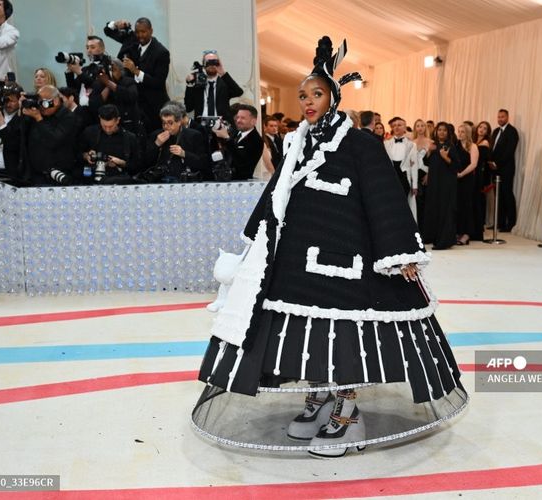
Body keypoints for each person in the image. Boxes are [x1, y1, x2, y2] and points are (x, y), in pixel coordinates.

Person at [194, 36, 465, 459]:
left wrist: (401, 251)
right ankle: (320, 395)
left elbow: (384, 197)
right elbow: (275, 195)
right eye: (303, 95)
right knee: (306, 336)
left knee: (344, 336)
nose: (307, 102)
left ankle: (347, 409)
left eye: (316, 94)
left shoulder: (360, 143)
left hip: (348, 260)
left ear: (334, 97)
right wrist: (257, 240)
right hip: (297, 261)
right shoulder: (295, 142)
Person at [104, 17, 170, 133]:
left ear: (151, 31)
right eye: (137, 32)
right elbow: (108, 31)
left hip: (153, 106)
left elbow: (158, 82)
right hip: (132, 104)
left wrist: (136, 71)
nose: (140, 35)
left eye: (143, 32)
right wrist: (116, 24)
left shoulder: (161, 52)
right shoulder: (132, 40)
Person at [21, 85, 77, 186]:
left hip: (57, 175)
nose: (41, 107)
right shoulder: (38, 112)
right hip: (35, 174)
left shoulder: (68, 117)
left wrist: (38, 118)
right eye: (39, 102)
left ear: (55, 101)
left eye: (44, 103)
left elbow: (53, 141)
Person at [142, 101, 206, 183]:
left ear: (179, 122)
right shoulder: (156, 135)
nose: (166, 127)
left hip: (185, 181)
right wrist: (156, 144)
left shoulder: (193, 135)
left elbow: (203, 163)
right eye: (163, 123)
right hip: (160, 180)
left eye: (170, 123)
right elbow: (145, 163)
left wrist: (184, 154)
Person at [77, 104, 139, 184]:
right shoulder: (90, 133)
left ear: (118, 120)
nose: (107, 129)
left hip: (119, 181)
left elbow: (137, 165)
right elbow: (77, 155)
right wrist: (86, 156)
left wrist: (122, 163)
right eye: (104, 126)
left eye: (111, 126)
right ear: (100, 119)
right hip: (91, 179)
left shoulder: (129, 138)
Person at [423, 122, 460, 250]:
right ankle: (433, 236)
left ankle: (444, 241)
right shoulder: (434, 145)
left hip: (446, 184)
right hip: (434, 183)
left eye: (444, 130)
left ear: (448, 132)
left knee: (445, 210)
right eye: (439, 130)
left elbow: (456, 166)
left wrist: (445, 157)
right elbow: (426, 162)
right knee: (435, 208)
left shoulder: (451, 146)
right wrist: (429, 151)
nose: (441, 132)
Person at [184, 50, 243, 127]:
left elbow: (238, 92)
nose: (211, 65)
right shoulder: (198, 83)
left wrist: (222, 73)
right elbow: (188, 107)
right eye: (208, 62)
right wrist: (190, 85)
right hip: (201, 127)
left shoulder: (224, 83)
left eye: (214, 62)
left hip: (222, 126)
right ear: (203, 64)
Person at [488, 109, 519, 232]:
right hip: (494, 169)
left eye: (502, 117)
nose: (500, 119)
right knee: (497, 196)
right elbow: (492, 148)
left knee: (507, 195)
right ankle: (499, 223)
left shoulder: (512, 131)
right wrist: (490, 162)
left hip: (506, 168)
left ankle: (510, 223)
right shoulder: (495, 131)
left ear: (507, 117)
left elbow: (509, 151)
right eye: (498, 117)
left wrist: (497, 163)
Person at [216, 103, 262, 181]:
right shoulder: (235, 133)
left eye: (243, 118)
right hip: (224, 179)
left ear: (253, 121)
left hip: (241, 183)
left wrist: (227, 138)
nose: (238, 120)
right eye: (237, 117)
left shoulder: (256, 140)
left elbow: (242, 162)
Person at [455, 123, 478, 245]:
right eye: (459, 131)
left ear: (467, 133)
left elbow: (473, 164)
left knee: (467, 206)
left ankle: (466, 234)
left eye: (462, 131)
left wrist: (462, 174)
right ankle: (459, 232)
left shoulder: (473, 146)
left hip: (467, 179)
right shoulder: (456, 145)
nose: (460, 134)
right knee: (458, 207)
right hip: (456, 180)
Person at [471, 121, 492, 242]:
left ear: (487, 132)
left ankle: (478, 231)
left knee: (477, 201)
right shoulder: (474, 141)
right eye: (480, 127)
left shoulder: (485, 143)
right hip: (472, 173)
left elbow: (479, 162)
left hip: (479, 174)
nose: (482, 129)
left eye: (485, 128)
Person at [411, 118, 433, 229]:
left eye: (422, 126)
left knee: (426, 202)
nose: (420, 128)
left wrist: (429, 175)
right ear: (415, 128)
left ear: (425, 128)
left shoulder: (431, 142)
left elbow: (432, 162)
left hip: (426, 174)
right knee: (416, 202)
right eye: (418, 126)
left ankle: (426, 230)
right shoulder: (411, 142)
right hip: (414, 174)